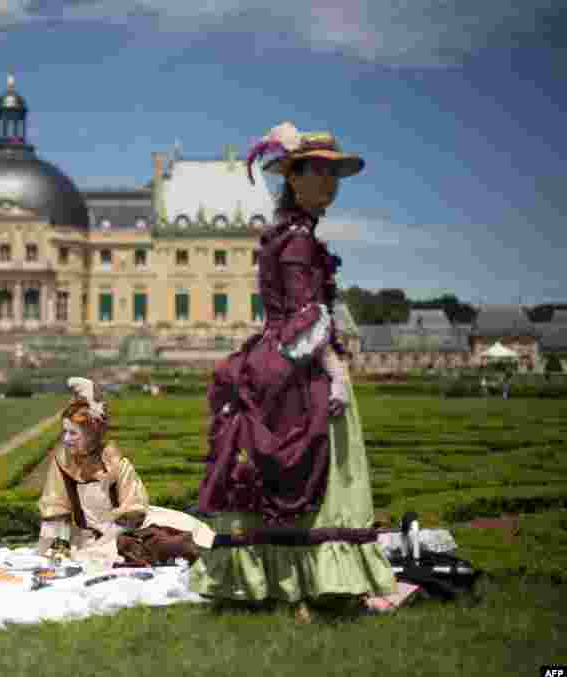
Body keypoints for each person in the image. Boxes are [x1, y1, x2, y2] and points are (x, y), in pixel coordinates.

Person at [191, 122, 399, 620]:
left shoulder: (287, 232)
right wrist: (336, 370)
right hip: (295, 364)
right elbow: (308, 317)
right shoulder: (299, 239)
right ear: (295, 177)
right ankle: (312, 584)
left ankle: (281, 583)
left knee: (275, 472)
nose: (330, 185)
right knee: (318, 470)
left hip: (272, 357)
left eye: (335, 176)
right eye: (320, 173)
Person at [38, 377, 214, 567]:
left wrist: (111, 537)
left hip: (123, 531)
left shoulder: (116, 462)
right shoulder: (62, 462)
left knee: (177, 535)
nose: (66, 439)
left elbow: (133, 507)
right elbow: (55, 509)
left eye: (73, 433)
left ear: (91, 434)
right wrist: (58, 546)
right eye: (65, 432)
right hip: (87, 538)